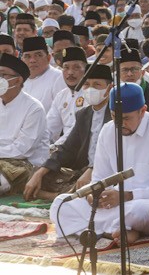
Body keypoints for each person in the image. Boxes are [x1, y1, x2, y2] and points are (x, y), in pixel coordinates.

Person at [51, 83, 149, 244]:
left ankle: (105, 230)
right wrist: (94, 195)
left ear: (142, 111)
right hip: (112, 206)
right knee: (61, 204)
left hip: (145, 205)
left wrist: (126, 196)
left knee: (138, 211)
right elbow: (99, 179)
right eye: (114, 117)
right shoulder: (108, 130)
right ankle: (121, 231)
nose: (120, 124)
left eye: (126, 118)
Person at [24, 64, 113, 201]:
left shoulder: (118, 114)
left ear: (109, 89)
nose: (90, 89)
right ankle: (67, 196)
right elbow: (67, 149)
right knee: (38, 173)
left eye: (97, 85)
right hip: (81, 172)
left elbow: (116, 153)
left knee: (94, 188)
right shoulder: (83, 114)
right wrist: (41, 172)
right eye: (87, 84)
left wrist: (92, 169)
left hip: (107, 171)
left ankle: (60, 197)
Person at [0, 53, 47, 195]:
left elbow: (22, 149)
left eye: (3, 75)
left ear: (17, 80)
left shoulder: (34, 108)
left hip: (24, 164)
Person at [46, 47, 87, 145]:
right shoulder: (61, 96)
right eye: (66, 67)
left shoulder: (90, 95)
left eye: (76, 67)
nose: (70, 73)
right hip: (61, 149)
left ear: (86, 70)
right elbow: (49, 128)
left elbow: (76, 130)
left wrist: (55, 147)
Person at [21, 36, 67, 113]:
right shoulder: (20, 81)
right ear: (22, 60)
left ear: (48, 58)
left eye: (38, 55)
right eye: (27, 56)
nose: (32, 60)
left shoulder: (59, 77)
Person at [120, 47, 149, 118]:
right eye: (125, 70)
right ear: (118, 73)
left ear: (142, 72)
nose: (129, 74)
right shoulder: (114, 93)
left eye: (134, 69)